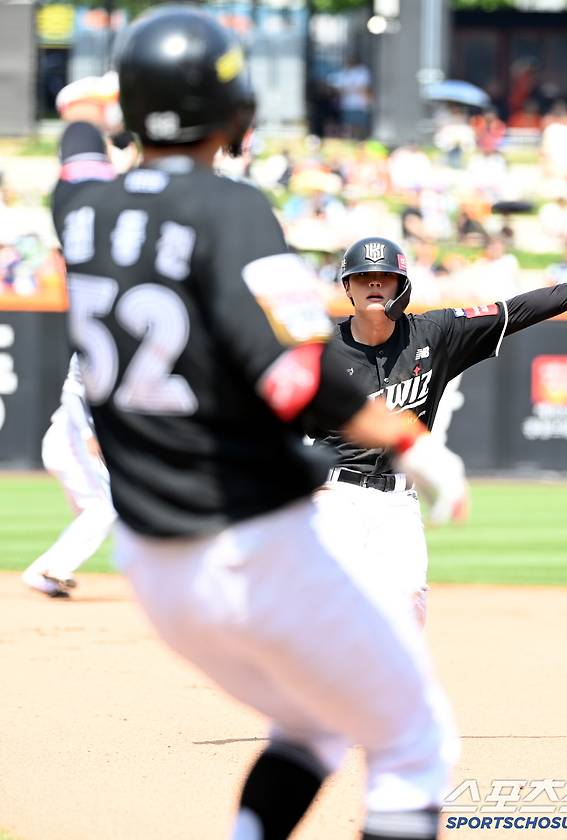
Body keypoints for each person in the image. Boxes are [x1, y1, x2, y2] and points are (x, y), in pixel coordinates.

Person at [51, 7, 463, 840]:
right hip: (249, 541)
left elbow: (75, 120)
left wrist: (116, 92)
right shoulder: (230, 205)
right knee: (417, 741)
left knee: (312, 724)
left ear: (135, 110)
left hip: (153, 559)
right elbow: (297, 373)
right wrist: (415, 445)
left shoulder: (80, 207)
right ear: (236, 120)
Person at [309, 234, 567, 625]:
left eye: (384, 276)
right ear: (346, 286)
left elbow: (514, 311)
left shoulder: (435, 333)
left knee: (410, 600)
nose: (374, 284)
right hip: (336, 494)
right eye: (363, 277)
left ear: (401, 285)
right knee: (331, 600)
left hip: (399, 500)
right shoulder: (321, 350)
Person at [21, 354, 117, 598]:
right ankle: (56, 568)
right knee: (104, 509)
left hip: (74, 443)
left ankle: (41, 574)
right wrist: (88, 435)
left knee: (93, 515)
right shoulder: (94, 343)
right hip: (71, 439)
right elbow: (71, 394)